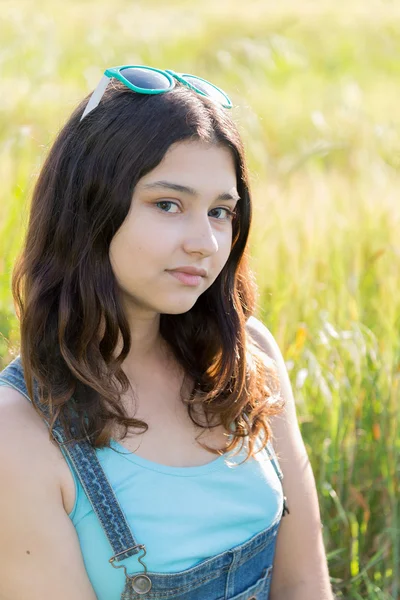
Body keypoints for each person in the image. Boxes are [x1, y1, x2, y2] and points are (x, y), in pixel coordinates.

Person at [0, 66, 334, 599]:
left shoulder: (249, 358)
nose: (205, 242)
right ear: (89, 209)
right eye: (168, 205)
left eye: (222, 211)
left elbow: (304, 586)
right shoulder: (17, 433)